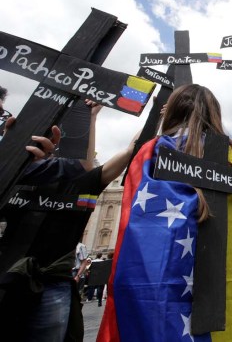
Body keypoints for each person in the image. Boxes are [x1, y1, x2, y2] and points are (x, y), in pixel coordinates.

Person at [98, 84, 232, 341]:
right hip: (221, 287)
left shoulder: (153, 151)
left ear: (174, 111)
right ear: (215, 115)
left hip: (160, 279)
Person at [0, 100, 139, 342]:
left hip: (53, 283)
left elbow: (129, 151)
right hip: (8, 274)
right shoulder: (14, 179)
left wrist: (91, 117)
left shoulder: (84, 182)